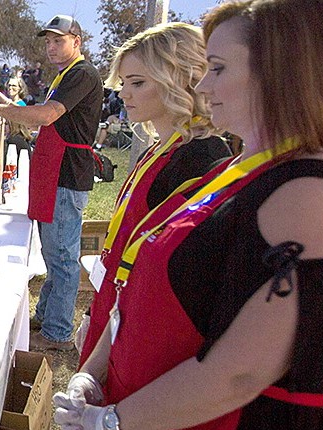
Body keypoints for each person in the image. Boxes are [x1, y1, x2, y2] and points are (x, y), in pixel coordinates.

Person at [55, 1, 323, 430]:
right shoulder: (242, 170)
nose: (204, 84)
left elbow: (240, 372)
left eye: (217, 68)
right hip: (160, 428)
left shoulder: (312, 191)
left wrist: (112, 421)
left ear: (286, 73)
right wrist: (96, 371)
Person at [75, 23, 231, 370]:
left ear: (178, 80)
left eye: (138, 82)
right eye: (125, 83)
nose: (125, 94)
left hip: (143, 334)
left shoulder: (201, 158)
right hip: (115, 313)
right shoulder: (159, 149)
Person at [0, 14, 102, 350]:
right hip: (55, 172)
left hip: (67, 174)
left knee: (63, 257)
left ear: (76, 41)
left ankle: (57, 332)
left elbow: (45, 115)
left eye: (58, 40)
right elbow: (39, 114)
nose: (51, 47)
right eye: (48, 41)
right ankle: (46, 315)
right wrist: (7, 105)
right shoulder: (65, 75)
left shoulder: (82, 73)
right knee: (54, 252)